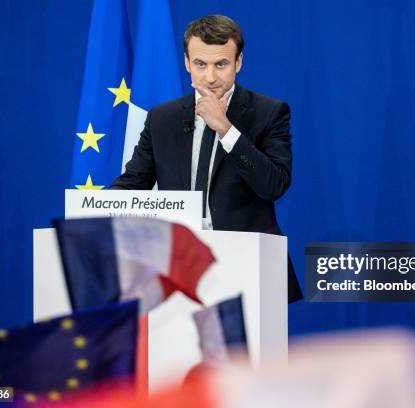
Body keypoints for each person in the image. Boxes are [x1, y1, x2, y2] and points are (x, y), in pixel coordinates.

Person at [110, 15, 301, 302]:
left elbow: (274, 184)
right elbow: (133, 184)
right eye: (200, 64)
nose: (210, 77)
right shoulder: (162, 119)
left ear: (238, 63)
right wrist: (88, 215)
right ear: (187, 62)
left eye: (221, 64)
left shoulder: (269, 113)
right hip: (181, 268)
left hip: (249, 265)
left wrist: (225, 128)